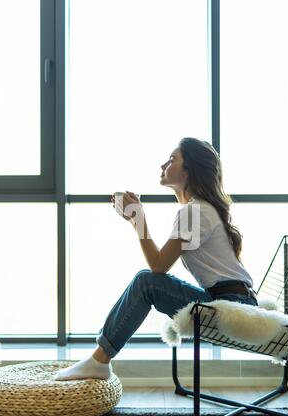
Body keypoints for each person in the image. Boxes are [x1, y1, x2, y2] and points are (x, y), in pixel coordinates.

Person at [55, 137, 258, 381]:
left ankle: (99, 360)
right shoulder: (197, 209)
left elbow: (158, 266)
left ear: (189, 169)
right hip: (233, 301)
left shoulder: (196, 211)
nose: (163, 164)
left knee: (147, 282)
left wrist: (138, 219)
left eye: (172, 159)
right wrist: (136, 217)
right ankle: (99, 359)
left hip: (232, 306)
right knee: (147, 281)